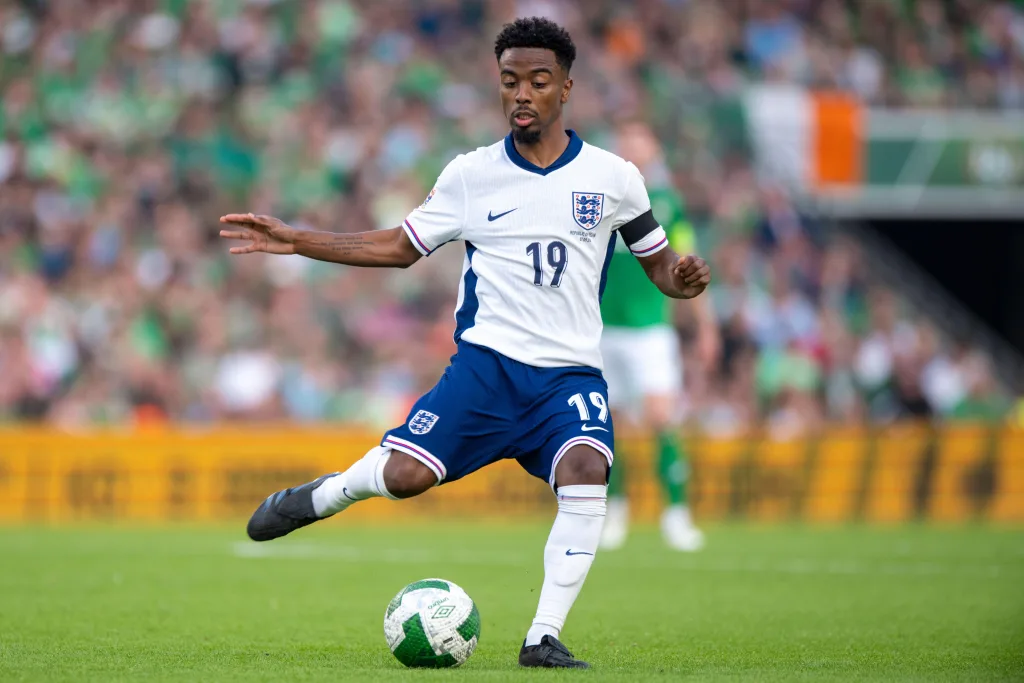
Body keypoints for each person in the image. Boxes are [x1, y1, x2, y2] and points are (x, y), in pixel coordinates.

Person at [218, 17, 711, 670]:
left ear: (567, 87)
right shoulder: (471, 175)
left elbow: (658, 266)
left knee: (588, 469)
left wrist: (680, 280)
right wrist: (298, 239)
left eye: (538, 81)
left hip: (569, 377)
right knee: (405, 476)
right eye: (510, 82)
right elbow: (398, 248)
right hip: (486, 372)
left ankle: (543, 635)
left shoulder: (615, 178)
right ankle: (326, 493)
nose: (522, 95)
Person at [598, 121, 720, 552]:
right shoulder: (597, 197)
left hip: (651, 331)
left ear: (653, 149)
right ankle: (616, 510)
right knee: (609, 423)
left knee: (661, 417)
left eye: (640, 139)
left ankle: (676, 514)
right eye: (625, 139)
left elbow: (687, 262)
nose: (632, 146)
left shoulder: (667, 203)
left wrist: (706, 325)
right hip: (601, 329)